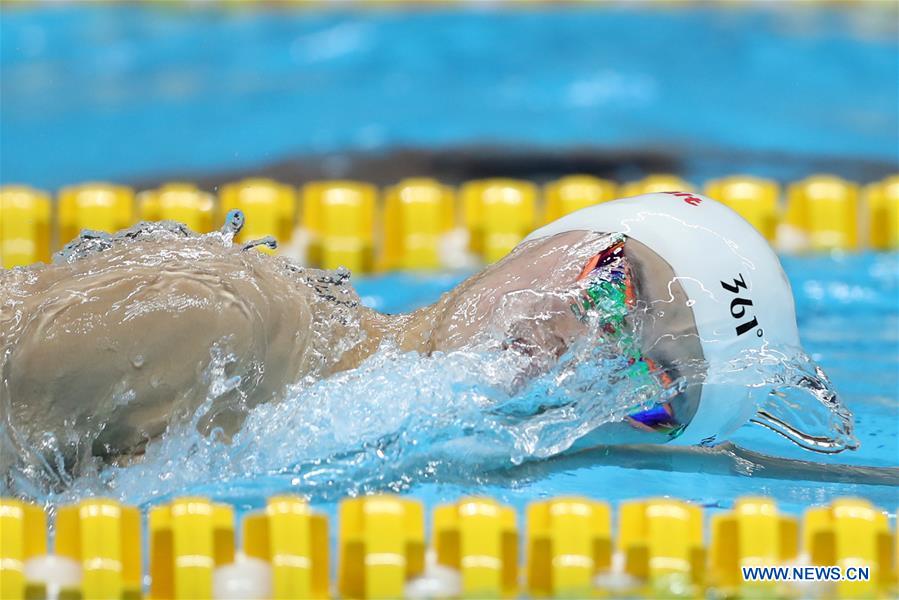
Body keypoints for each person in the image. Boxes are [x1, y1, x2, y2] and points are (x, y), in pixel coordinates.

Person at [0, 191, 852, 475]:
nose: (591, 347)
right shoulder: (215, 325)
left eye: (647, 388)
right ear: (555, 236)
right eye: (611, 287)